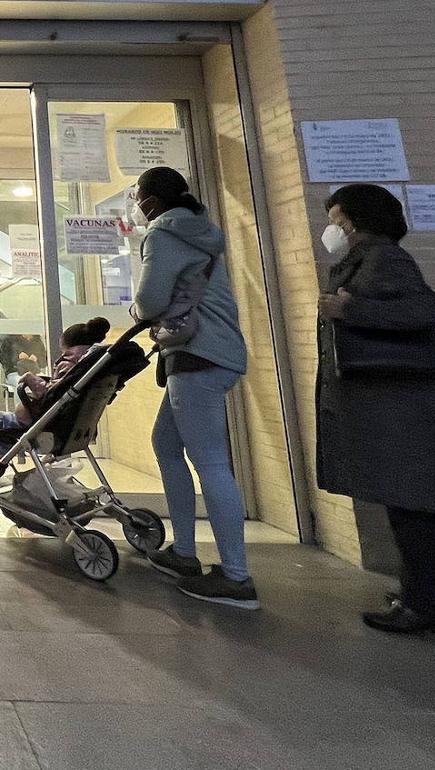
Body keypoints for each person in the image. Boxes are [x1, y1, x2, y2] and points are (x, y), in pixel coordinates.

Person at [316, 184, 435, 634]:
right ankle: (422, 593)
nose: (332, 230)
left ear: (354, 220)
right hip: (389, 403)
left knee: (413, 506)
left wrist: (350, 310)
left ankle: (425, 605)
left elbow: (424, 311)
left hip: (401, 405)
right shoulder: (368, 258)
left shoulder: (385, 257)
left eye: (335, 221)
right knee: (408, 505)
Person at [129, 166, 257, 610]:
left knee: (211, 462)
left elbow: (149, 302)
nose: (137, 205)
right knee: (165, 443)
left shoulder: (163, 234)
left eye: (138, 196)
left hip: (197, 354)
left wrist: (136, 307)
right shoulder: (204, 231)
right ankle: (184, 552)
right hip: (214, 351)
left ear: (150, 200)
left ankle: (237, 577)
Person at [0, 318, 110, 472]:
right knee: (8, 429)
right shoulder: (92, 365)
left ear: (67, 345)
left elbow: (50, 393)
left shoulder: (68, 365)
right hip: (72, 427)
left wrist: (30, 379)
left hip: (46, 425)